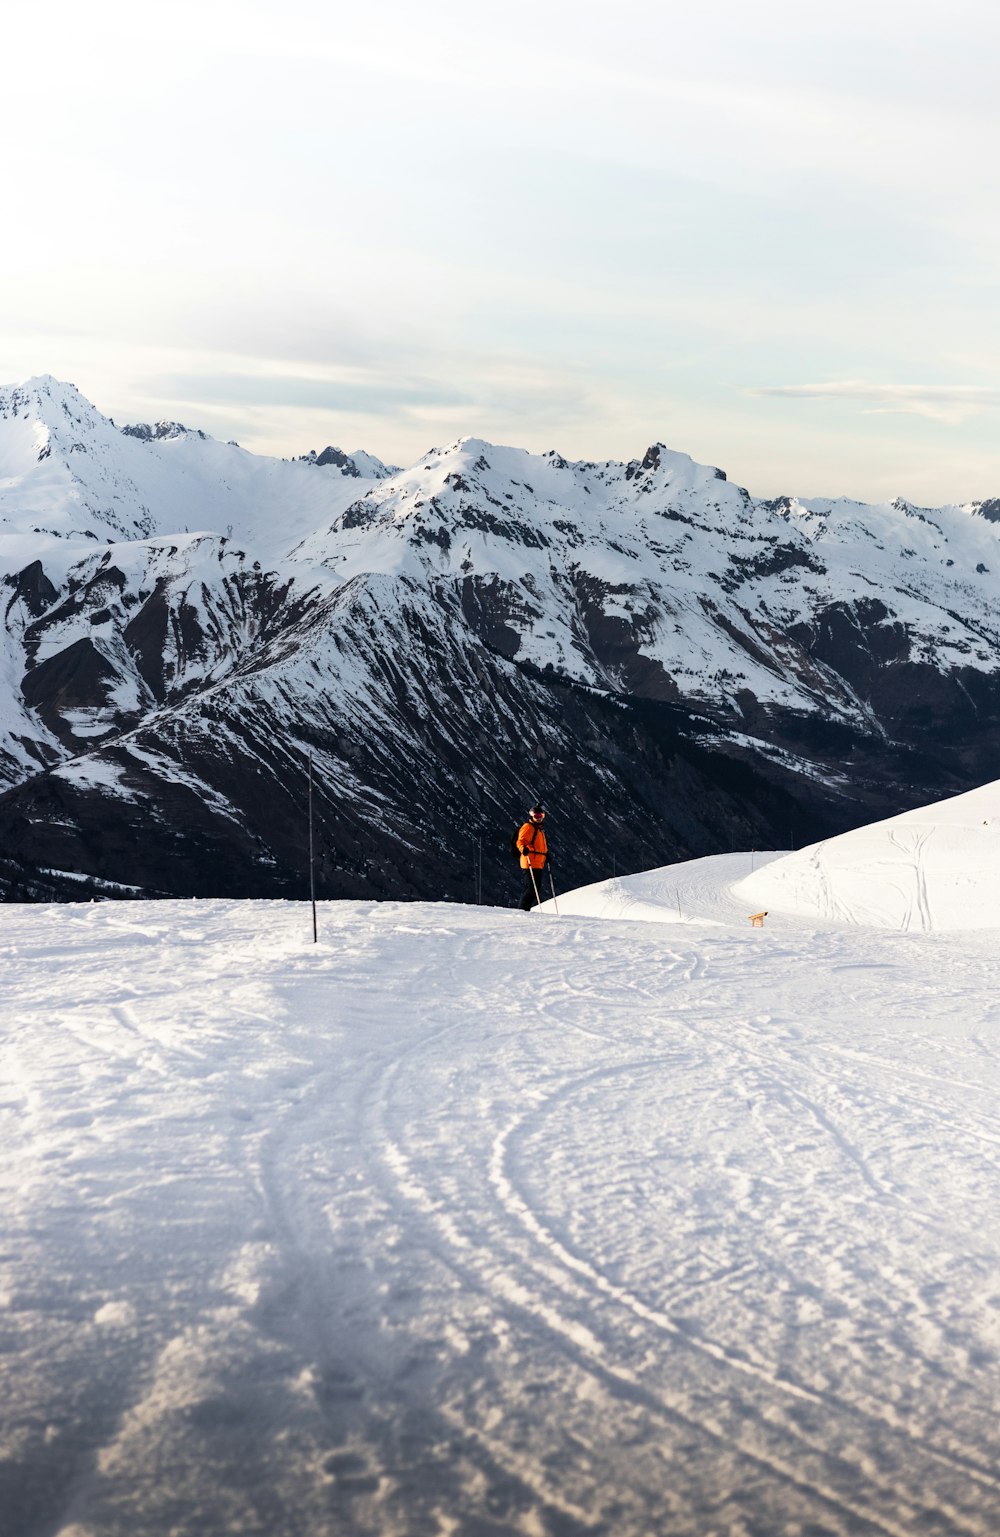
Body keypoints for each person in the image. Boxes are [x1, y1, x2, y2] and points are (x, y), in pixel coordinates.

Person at [517, 803, 550, 911]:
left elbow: (539, 845)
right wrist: (523, 849)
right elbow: (520, 841)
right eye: (536, 816)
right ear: (532, 816)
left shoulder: (539, 829)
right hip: (530, 861)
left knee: (535, 889)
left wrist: (546, 854)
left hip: (538, 863)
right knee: (532, 889)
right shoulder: (528, 827)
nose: (539, 818)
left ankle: (524, 909)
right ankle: (523, 910)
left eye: (541, 816)